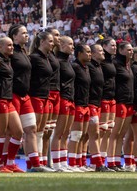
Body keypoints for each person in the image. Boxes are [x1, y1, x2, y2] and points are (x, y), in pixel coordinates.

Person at [8, 24, 51, 172]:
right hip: (12, 94)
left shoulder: (24, 53)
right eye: (23, 33)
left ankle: (34, 164)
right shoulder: (10, 52)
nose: (27, 35)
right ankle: (8, 162)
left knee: (32, 129)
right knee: (14, 132)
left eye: (27, 33)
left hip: (25, 96)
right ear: (14, 36)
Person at [0, 37, 24, 173]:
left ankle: (10, 163)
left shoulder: (6, 60)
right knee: (1, 133)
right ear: (0, 47)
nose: (12, 47)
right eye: (9, 45)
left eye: (12, 45)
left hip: (8, 99)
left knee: (18, 132)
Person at [107, 41, 134, 172]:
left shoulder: (128, 65)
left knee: (121, 135)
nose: (131, 52)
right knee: (114, 134)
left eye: (132, 50)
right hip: (119, 102)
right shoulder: (116, 64)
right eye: (128, 50)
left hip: (129, 102)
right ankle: (110, 162)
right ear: (121, 50)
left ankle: (116, 162)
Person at [88, 44, 115, 172]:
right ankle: (91, 163)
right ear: (93, 54)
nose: (103, 52)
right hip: (90, 103)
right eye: (100, 51)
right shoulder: (89, 66)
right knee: (86, 134)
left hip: (98, 103)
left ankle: (96, 163)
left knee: (101, 132)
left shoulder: (98, 66)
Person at [51, 36, 75, 172]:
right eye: (70, 44)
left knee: (66, 133)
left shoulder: (67, 62)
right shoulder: (59, 62)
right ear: (61, 45)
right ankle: (56, 163)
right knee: (59, 133)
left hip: (70, 99)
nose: (72, 47)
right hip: (63, 98)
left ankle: (63, 162)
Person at [29, 32, 54, 164]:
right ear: (42, 42)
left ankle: (41, 161)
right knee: (35, 130)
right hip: (35, 96)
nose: (53, 43)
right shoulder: (34, 58)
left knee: (41, 132)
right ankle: (34, 161)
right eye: (50, 41)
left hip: (45, 96)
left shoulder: (46, 58)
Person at [68, 44, 91, 171]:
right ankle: (72, 163)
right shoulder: (75, 67)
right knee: (76, 135)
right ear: (79, 53)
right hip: (77, 104)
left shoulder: (86, 67)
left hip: (85, 104)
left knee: (84, 135)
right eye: (87, 52)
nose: (90, 54)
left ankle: (81, 162)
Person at [42, 28, 61, 167]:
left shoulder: (54, 55)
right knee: (43, 131)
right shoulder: (45, 56)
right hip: (48, 93)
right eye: (56, 35)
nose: (58, 38)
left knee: (49, 131)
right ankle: (42, 161)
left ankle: (48, 162)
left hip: (56, 93)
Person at [99, 38, 117, 165]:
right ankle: (97, 160)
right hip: (103, 98)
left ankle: (103, 160)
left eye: (115, 45)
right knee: (102, 130)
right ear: (104, 46)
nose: (115, 47)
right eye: (112, 45)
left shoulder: (112, 61)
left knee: (109, 130)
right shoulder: (101, 62)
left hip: (111, 98)